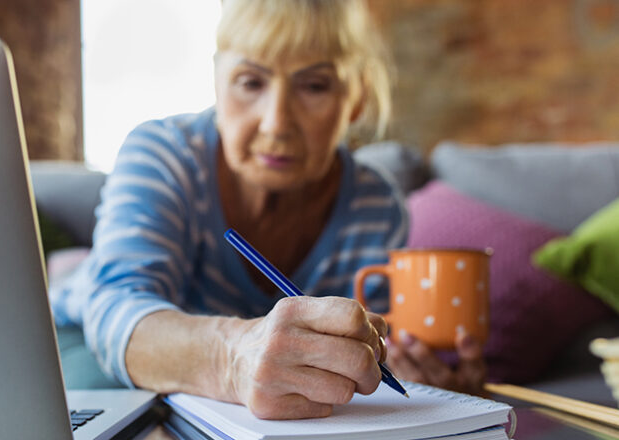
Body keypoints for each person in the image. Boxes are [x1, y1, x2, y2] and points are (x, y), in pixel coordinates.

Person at [50, 0, 485, 420]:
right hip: (83, 341)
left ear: (355, 100)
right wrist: (231, 356)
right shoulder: (163, 156)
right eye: (250, 82)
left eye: (314, 86)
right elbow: (115, 312)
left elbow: (358, 353)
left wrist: (405, 373)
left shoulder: (376, 207)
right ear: (217, 82)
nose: (276, 122)